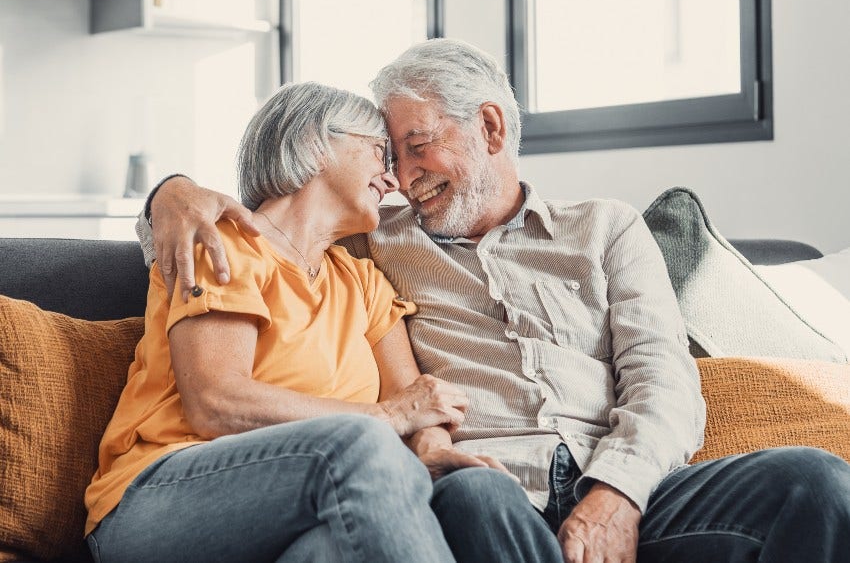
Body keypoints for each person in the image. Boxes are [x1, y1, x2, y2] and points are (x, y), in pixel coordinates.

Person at [143, 39, 850, 563]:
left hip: (622, 478)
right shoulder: (373, 242)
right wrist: (166, 193)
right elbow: (267, 228)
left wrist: (618, 492)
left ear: (489, 127)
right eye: (388, 156)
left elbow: (663, 379)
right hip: (489, 488)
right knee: (476, 499)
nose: (403, 179)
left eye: (417, 147)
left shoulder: (604, 229)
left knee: (812, 480)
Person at [86, 80, 535, 563]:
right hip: (161, 493)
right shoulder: (223, 243)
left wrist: (429, 445)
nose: (395, 181)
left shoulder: (362, 281)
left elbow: (412, 400)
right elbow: (215, 402)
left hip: (297, 506)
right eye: (380, 154)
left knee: (422, 514)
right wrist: (386, 419)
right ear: (314, 144)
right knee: (362, 444)